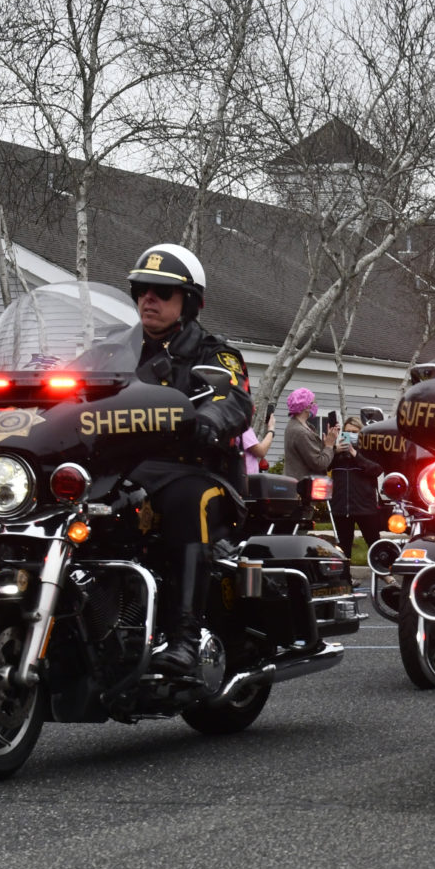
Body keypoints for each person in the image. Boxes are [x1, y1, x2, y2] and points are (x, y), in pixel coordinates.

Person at [121, 244, 253, 678]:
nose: (149, 300)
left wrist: (208, 419)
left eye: (162, 292)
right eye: (142, 290)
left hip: (201, 471)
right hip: (129, 473)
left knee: (184, 500)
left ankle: (186, 638)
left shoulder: (215, 354)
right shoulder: (115, 353)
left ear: (189, 303)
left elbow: (232, 398)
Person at [329, 417, 380, 560]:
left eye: (354, 432)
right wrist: (334, 450)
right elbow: (323, 466)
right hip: (341, 509)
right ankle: (346, 580)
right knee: (343, 549)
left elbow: (376, 469)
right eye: (347, 431)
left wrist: (355, 453)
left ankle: (386, 575)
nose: (350, 434)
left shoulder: (368, 450)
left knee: (375, 544)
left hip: (365, 507)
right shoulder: (337, 454)